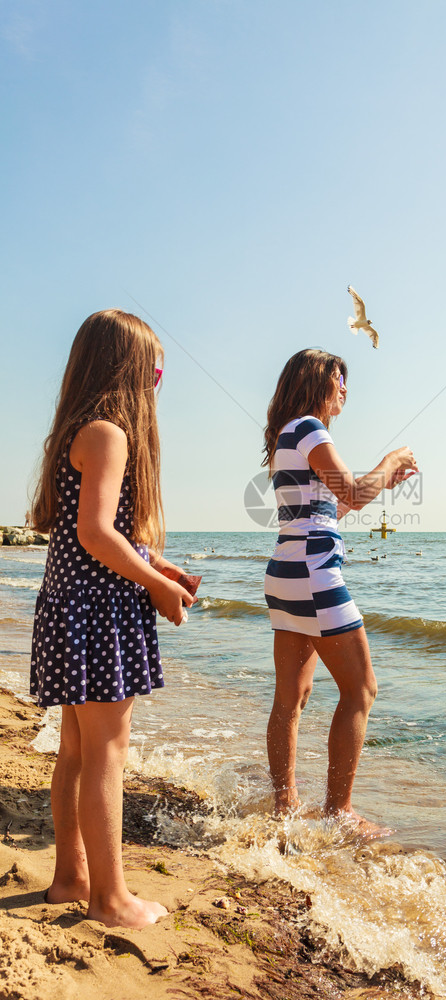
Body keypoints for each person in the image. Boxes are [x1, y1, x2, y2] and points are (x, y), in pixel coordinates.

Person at [30, 309, 195, 929]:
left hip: (72, 605)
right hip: (95, 612)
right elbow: (98, 534)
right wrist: (154, 584)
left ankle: (72, 876)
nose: (158, 381)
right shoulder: (110, 433)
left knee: (75, 746)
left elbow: (103, 535)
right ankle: (109, 898)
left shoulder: (82, 429)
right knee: (106, 749)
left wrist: (161, 567)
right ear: (127, 369)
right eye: (154, 368)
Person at [262, 349, 418, 832]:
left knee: (291, 697)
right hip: (314, 573)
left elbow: (331, 510)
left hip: (287, 571)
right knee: (361, 689)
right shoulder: (309, 427)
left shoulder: (288, 434)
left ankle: (285, 805)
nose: (345, 388)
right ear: (316, 383)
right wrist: (389, 459)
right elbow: (349, 493)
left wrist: (383, 483)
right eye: (338, 379)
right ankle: (339, 812)